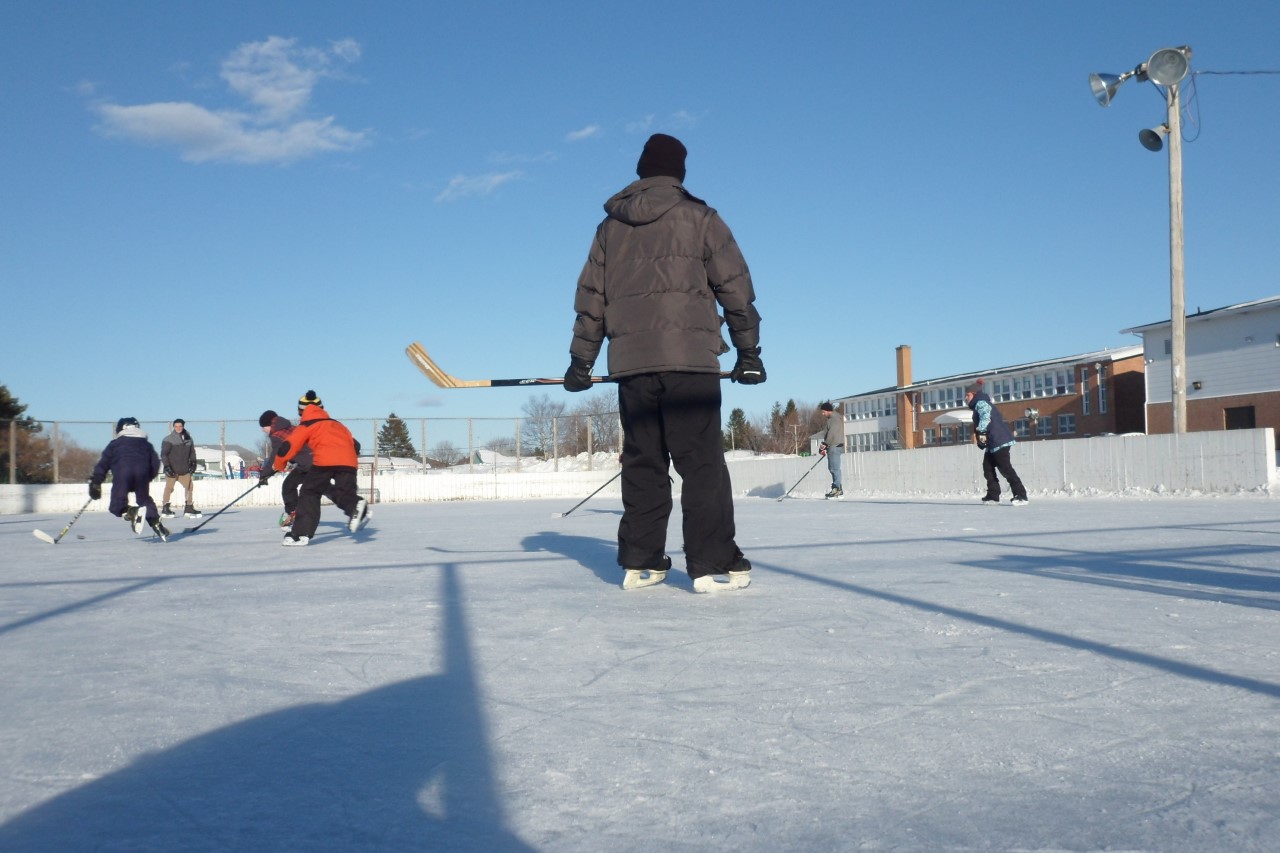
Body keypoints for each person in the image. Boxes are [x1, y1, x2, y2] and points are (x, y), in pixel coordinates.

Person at [564, 133, 764, 593]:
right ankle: (712, 562)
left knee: (643, 462)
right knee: (702, 464)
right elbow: (735, 287)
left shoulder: (609, 227)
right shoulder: (701, 218)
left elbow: (591, 299)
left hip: (632, 365)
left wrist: (581, 360)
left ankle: (642, 561)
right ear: (680, 173)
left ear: (641, 171)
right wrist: (749, 351)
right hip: (689, 363)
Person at [272, 391, 370, 546]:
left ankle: (300, 534)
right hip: (349, 462)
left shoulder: (307, 424)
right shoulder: (338, 424)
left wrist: (278, 464)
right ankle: (357, 508)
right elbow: (355, 445)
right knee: (345, 492)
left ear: (301, 411)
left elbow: (288, 446)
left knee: (309, 492)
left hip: (325, 461)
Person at [257, 407, 342, 530]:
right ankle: (293, 513)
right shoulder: (289, 428)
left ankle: (351, 504)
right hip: (306, 464)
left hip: (311, 464)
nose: (262, 430)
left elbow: (276, 457)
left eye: (263, 427)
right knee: (289, 485)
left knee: (320, 488)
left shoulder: (277, 435)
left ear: (269, 425)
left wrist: (264, 474)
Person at [88, 417, 170, 540]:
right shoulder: (146, 444)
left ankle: (131, 512)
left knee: (117, 504)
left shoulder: (115, 444)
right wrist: (148, 477)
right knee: (144, 499)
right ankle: (155, 523)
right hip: (142, 475)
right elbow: (155, 463)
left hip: (122, 473)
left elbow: (103, 463)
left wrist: (96, 482)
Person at [965, 379, 1029, 505]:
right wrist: (981, 438)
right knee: (987, 467)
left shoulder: (981, 403)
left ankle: (1021, 495)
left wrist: (982, 434)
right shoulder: (980, 402)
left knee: (1005, 468)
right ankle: (993, 495)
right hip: (993, 442)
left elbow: (985, 417)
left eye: (968, 395)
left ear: (974, 394)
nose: (966, 398)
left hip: (999, 441)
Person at [159, 418, 201, 518]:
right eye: (176, 426)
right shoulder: (168, 439)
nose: (178, 428)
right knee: (169, 488)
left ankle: (189, 508)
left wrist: (193, 463)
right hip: (172, 470)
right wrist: (167, 466)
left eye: (180, 426)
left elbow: (192, 452)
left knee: (189, 487)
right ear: (174, 427)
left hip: (184, 470)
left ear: (183, 426)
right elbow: (164, 454)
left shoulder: (188, 439)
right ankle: (165, 509)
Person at [818, 401, 845, 499]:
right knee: (832, 468)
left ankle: (837, 488)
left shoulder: (834, 420)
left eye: (823, 411)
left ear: (828, 410)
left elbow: (832, 434)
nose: (822, 413)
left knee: (834, 468)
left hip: (834, 445)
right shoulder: (832, 419)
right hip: (832, 445)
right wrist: (824, 445)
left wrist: (825, 444)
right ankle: (837, 488)